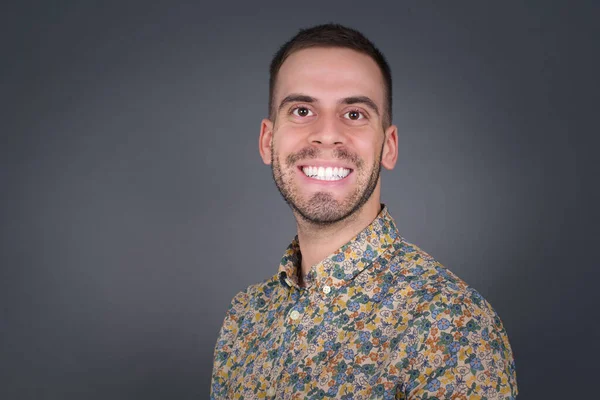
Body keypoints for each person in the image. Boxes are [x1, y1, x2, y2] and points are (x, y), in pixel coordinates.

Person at [210, 24, 518, 399]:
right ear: (267, 140)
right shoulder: (245, 317)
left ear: (388, 146)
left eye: (354, 114)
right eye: (302, 110)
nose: (326, 134)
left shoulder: (454, 325)